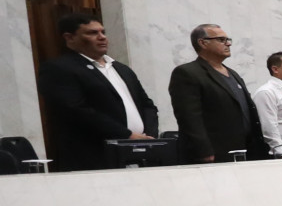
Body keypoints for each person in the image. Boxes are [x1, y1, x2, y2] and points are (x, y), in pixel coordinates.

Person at [38, 10, 158, 171]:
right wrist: (127, 136)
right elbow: (76, 111)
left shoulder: (121, 69)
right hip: (95, 158)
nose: (102, 37)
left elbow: (147, 105)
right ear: (69, 37)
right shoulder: (59, 69)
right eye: (92, 33)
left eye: (103, 32)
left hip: (137, 154)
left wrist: (148, 138)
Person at [169, 23, 265, 164]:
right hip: (215, 153)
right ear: (203, 43)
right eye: (221, 40)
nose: (228, 44)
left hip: (246, 149)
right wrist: (203, 150)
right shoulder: (187, 73)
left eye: (228, 40)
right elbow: (189, 117)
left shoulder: (233, 74)